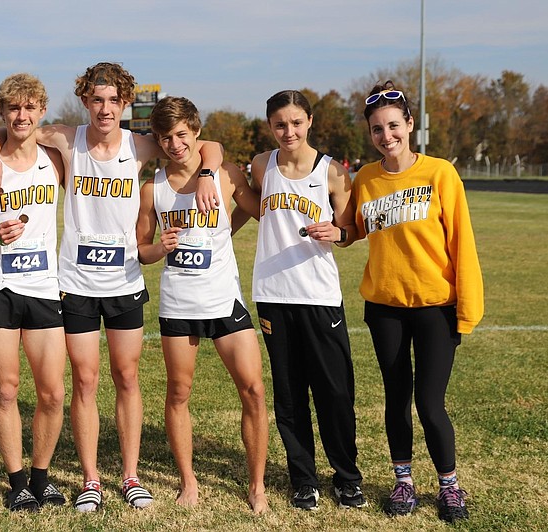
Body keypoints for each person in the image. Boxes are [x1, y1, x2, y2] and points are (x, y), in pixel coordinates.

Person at [0, 62, 223, 512]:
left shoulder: (142, 144)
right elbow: (15, 125)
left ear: (126, 102)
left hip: (125, 279)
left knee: (127, 378)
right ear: (85, 101)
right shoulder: (66, 138)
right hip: (75, 282)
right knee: (86, 381)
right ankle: (91, 478)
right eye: (96, 99)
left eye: (114, 100)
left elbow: (207, 145)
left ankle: (130, 476)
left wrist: (208, 173)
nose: (105, 108)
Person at [347, 81, 483, 523]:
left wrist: (466, 310)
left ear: (409, 124)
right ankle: (403, 482)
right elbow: (353, 229)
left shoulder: (440, 173)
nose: (386, 137)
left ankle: (449, 486)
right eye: (376, 130)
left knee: (429, 402)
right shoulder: (366, 178)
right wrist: (335, 232)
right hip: (385, 308)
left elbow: (462, 242)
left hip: (434, 309)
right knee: (395, 398)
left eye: (392, 126)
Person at [135, 96, 269, 514]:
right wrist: (160, 248)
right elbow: (141, 249)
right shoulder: (152, 188)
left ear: (195, 130)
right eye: (165, 138)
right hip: (179, 306)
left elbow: (263, 211)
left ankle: (257, 485)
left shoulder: (224, 174)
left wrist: (226, 219)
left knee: (254, 391)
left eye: (181, 135)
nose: (175, 144)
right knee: (178, 393)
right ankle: (188, 481)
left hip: (224, 300)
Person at [239, 89, 365, 512]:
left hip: (319, 296)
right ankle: (303, 479)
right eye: (280, 124)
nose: (288, 131)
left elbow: (348, 230)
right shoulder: (261, 165)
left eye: (296, 122)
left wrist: (338, 233)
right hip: (273, 297)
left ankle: (347, 477)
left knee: (334, 392)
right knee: (289, 394)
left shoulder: (331, 172)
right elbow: (252, 205)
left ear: (309, 121)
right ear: (270, 126)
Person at [0, 73, 67, 513]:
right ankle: (17, 481)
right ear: (2, 113)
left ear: (41, 110)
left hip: (44, 286)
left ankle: (42, 477)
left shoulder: (57, 161)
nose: (21, 116)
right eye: (13, 109)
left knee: (53, 393)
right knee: (6, 389)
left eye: (29, 108)